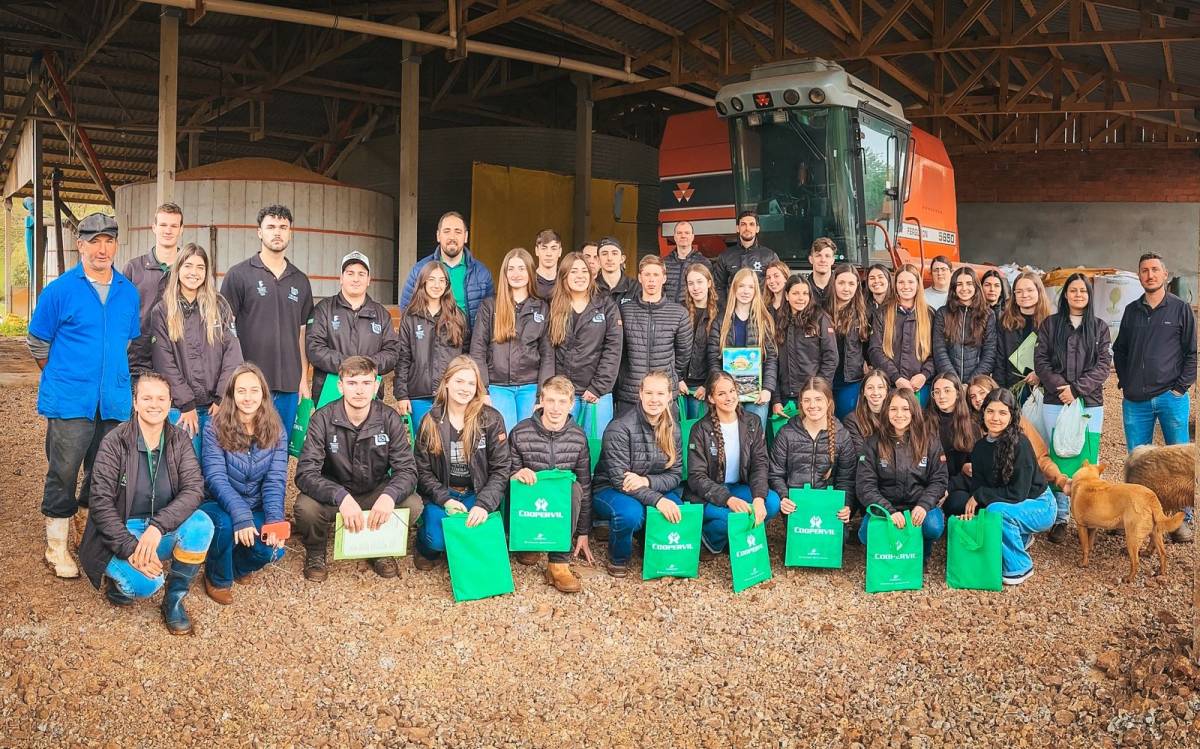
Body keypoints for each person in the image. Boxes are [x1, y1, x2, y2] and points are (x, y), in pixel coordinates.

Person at [27, 213, 140, 579]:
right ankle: (56, 544)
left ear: (116, 245)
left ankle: (88, 529)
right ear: (80, 245)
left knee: (105, 470)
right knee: (64, 470)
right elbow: (37, 342)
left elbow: (125, 343)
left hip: (112, 400)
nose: (101, 249)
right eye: (94, 241)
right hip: (71, 399)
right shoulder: (60, 290)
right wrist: (64, 374)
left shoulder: (127, 292)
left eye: (108, 241)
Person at [78, 373, 214, 635]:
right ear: (135, 402)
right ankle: (119, 583)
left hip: (158, 529)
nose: (154, 404)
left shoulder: (179, 439)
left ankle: (174, 600)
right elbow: (100, 502)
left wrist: (157, 526)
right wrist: (130, 548)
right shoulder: (114, 442)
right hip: (121, 532)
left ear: (170, 402)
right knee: (147, 584)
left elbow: (194, 489)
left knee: (202, 524)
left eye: (161, 398)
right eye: (147, 398)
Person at [295, 357, 420, 581]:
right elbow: (305, 473)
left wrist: (389, 496)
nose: (360, 390)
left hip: (374, 492)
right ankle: (315, 550)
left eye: (366, 383)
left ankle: (378, 548)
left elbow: (408, 470)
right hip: (335, 493)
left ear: (376, 385)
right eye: (352, 383)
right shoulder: (322, 419)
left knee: (413, 504)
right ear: (340, 386)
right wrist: (339, 495)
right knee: (306, 508)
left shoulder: (389, 418)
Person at [1113, 252, 1196, 541]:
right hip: (1136, 401)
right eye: (1144, 270)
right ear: (1139, 276)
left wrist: (1181, 387)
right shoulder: (1131, 311)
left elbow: (1191, 353)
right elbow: (1120, 350)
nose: (1149, 275)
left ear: (1164, 274)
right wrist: (1126, 382)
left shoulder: (1180, 309)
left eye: (1154, 270)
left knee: (1178, 458)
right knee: (1139, 461)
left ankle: (1182, 518)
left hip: (1171, 397)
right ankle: (1141, 516)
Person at [198, 363, 287, 604]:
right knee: (225, 524)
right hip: (218, 502)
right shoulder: (214, 426)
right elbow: (215, 477)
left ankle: (236, 566)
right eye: (241, 391)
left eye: (254, 390)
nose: (248, 397)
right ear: (232, 394)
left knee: (272, 551)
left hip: (255, 504)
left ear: (263, 393)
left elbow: (275, 480)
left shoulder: (276, 429)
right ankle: (217, 578)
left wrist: (275, 520)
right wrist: (241, 515)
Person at [221, 204, 313, 433]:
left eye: (283, 227)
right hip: (249, 385)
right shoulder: (238, 275)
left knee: (281, 448)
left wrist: (303, 379)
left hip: (290, 385)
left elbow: (302, 334)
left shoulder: (301, 280)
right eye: (271, 227)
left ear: (290, 232)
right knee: (246, 445)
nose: (277, 232)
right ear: (259, 232)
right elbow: (224, 332)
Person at [412, 356, 511, 569]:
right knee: (436, 541)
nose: (465, 388)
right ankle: (423, 544)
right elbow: (422, 470)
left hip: (476, 492)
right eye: (459, 381)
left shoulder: (491, 419)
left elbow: (501, 468)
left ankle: (459, 548)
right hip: (443, 493)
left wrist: (484, 505)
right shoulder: (430, 421)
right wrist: (445, 499)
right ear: (447, 382)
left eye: (471, 383)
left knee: (477, 537)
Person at [150, 242, 243, 455]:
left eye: (200, 267)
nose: (194, 272)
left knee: (214, 466)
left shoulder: (219, 305)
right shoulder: (163, 310)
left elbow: (233, 353)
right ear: (178, 269)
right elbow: (164, 362)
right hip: (181, 409)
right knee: (186, 466)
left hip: (215, 407)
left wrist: (222, 397)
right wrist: (187, 403)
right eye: (188, 266)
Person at [961, 388, 1057, 586]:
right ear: (983, 413)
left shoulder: (1020, 444)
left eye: (1002, 413)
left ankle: (1020, 566)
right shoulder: (979, 448)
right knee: (989, 511)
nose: (995, 418)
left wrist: (980, 496)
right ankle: (1021, 536)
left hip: (1040, 505)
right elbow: (979, 487)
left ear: (1012, 416)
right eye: (990, 411)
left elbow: (1017, 493)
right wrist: (972, 512)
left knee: (996, 511)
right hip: (1013, 504)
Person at [592, 370, 683, 577]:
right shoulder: (620, 427)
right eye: (649, 393)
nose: (654, 399)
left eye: (660, 394)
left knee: (677, 509)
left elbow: (675, 475)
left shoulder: (673, 429)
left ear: (669, 396)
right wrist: (657, 500)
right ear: (640, 394)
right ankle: (619, 558)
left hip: (647, 484)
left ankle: (653, 551)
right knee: (631, 514)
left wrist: (646, 481)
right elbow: (619, 480)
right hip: (611, 488)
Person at [509, 376, 592, 592]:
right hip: (530, 500)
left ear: (571, 404)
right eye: (551, 400)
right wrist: (516, 473)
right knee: (516, 483)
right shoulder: (520, 432)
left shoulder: (578, 437)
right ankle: (526, 541)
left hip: (558, 504)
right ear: (541, 401)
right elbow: (504, 474)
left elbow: (585, 484)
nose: (556, 408)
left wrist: (583, 532)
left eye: (562, 402)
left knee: (575, 488)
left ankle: (558, 563)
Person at [967, 374, 1071, 544]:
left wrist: (1060, 479)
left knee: (995, 514)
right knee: (988, 532)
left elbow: (1040, 458)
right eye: (972, 396)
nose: (977, 399)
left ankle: (1018, 547)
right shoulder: (973, 429)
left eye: (982, 393)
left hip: (1029, 497)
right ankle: (1019, 536)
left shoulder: (1017, 431)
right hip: (1001, 493)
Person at [685, 371, 779, 555]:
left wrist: (758, 498)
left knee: (772, 503)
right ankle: (709, 541)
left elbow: (760, 464)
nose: (729, 397)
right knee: (731, 518)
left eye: (732, 391)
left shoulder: (752, 422)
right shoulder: (700, 429)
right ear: (711, 398)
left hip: (739, 487)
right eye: (721, 394)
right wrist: (728, 499)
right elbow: (696, 477)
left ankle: (734, 539)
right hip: (709, 494)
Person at [855, 387, 948, 554]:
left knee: (933, 527)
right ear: (886, 411)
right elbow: (865, 485)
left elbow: (939, 479)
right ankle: (886, 555)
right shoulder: (873, 442)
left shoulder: (930, 440)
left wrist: (924, 505)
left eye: (905, 409)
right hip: (887, 506)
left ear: (914, 411)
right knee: (865, 535)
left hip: (918, 505)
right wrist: (888, 511)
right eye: (893, 409)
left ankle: (921, 553)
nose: (899, 414)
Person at [470, 247, 553, 432]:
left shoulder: (542, 308)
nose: (516, 274)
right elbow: (478, 349)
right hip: (498, 387)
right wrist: (483, 390)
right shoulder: (490, 306)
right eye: (511, 269)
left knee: (528, 437)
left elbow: (548, 355)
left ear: (530, 272)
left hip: (530, 386)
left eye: (522, 268)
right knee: (504, 437)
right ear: (505, 273)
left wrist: (543, 394)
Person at [1033, 273, 1111, 462]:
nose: (1078, 294)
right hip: (1056, 401)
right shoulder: (1050, 325)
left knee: (1087, 458)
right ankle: (1059, 485)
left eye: (1083, 291)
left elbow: (1103, 365)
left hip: (1090, 403)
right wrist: (1063, 389)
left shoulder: (1099, 327)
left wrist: (1076, 390)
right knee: (1057, 456)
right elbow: (1041, 361)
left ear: (1089, 295)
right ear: (1066, 294)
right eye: (1073, 290)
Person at [305, 250, 400, 405]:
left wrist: (366, 367)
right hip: (330, 392)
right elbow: (314, 348)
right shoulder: (323, 309)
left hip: (370, 393)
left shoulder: (381, 314)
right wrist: (351, 366)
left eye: (361, 274)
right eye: (350, 273)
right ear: (341, 278)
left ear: (368, 280)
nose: (356, 279)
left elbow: (392, 351)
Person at [547, 252, 623, 436]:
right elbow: (548, 351)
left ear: (591, 275)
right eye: (573, 271)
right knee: (562, 445)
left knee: (595, 445)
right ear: (564, 276)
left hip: (597, 393)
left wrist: (598, 387)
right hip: (562, 392)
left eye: (584, 271)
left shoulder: (606, 305)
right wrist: (556, 385)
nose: (580, 276)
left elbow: (613, 349)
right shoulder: (552, 306)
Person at [769, 376, 855, 527]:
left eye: (818, 399)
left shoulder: (842, 436)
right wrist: (784, 497)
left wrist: (846, 505)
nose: (812, 405)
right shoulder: (786, 433)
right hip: (796, 506)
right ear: (801, 403)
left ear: (829, 402)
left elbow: (846, 479)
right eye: (807, 400)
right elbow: (775, 473)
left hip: (829, 507)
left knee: (836, 540)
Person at [394, 262, 469, 430]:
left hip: (451, 394)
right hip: (419, 395)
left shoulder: (458, 316)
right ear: (423, 282)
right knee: (423, 442)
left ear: (447, 285)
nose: (437, 285)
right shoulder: (410, 317)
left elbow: (466, 357)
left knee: (449, 441)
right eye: (432, 279)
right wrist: (401, 395)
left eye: (442, 280)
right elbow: (403, 358)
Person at [615, 255, 692, 415]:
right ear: (640, 278)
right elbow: (619, 352)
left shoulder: (678, 313)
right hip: (631, 393)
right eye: (647, 274)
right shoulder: (625, 311)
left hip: (664, 395)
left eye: (656, 275)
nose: (651, 280)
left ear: (664, 278)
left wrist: (671, 375)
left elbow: (683, 354)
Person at [399, 211, 495, 333]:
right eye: (447, 231)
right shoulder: (419, 270)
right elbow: (406, 309)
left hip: (470, 342)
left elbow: (490, 315)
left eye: (458, 232)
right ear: (438, 236)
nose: (452, 237)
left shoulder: (482, 274)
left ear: (466, 237)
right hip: (430, 341)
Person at [709, 267, 777, 428]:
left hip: (757, 394)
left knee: (754, 437)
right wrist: (721, 388)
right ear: (734, 288)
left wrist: (767, 388)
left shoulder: (764, 320)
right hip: (727, 394)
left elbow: (771, 358)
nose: (746, 291)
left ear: (756, 291)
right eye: (741, 286)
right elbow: (713, 357)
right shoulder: (721, 320)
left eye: (750, 287)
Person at [124, 202, 183, 374]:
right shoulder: (134, 268)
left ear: (181, 229)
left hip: (178, 359)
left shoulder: (189, 270)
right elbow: (119, 315)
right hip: (138, 359)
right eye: (163, 225)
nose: (168, 230)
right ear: (154, 227)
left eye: (174, 226)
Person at [868, 264, 934, 405]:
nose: (906, 286)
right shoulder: (883, 313)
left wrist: (924, 375)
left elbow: (937, 352)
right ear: (895, 285)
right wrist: (896, 377)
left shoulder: (930, 315)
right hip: (890, 386)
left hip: (921, 387)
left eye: (910, 282)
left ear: (918, 285)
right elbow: (875, 350)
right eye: (901, 282)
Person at [773, 275, 836, 420]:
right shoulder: (778, 321)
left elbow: (831, 358)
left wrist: (818, 390)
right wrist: (776, 399)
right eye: (795, 293)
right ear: (787, 296)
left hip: (813, 396)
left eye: (805, 293)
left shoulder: (820, 318)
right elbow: (772, 362)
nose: (801, 298)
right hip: (785, 398)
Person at [928, 372, 980, 516]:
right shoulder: (925, 423)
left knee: (959, 502)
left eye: (947, 390)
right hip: (931, 484)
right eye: (936, 392)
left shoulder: (971, 426)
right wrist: (937, 489)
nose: (941, 396)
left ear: (958, 393)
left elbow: (973, 470)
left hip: (957, 485)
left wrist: (948, 488)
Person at [932, 267, 997, 382]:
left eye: (969, 283)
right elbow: (939, 351)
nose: (964, 288)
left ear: (976, 286)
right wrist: (954, 382)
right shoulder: (942, 313)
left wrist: (971, 383)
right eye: (959, 284)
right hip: (949, 382)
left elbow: (989, 353)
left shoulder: (988, 315)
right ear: (954, 288)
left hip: (976, 383)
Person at [994, 271, 1053, 393]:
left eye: (1029, 290)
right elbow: (999, 362)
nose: (1024, 295)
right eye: (1019, 291)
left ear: (1039, 292)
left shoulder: (1052, 323)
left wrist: (1040, 374)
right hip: (1012, 387)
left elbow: (1058, 359)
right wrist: (1001, 393)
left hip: (1044, 390)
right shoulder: (1005, 322)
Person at [827, 262, 869, 419]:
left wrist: (868, 363)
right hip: (825, 379)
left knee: (848, 422)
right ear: (834, 283)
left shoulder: (864, 313)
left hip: (851, 380)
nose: (846, 288)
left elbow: (869, 345)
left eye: (851, 284)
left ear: (857, 285)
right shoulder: (821, 311)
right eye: (841, 283)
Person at [680, 264, 718, 419]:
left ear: (709, 283)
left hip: (703, 385)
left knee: (699, 429)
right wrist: (677, 379)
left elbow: (719, 354)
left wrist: (707, 385)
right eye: (691, 283)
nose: (695, 287)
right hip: (680, 384)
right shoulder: (679, 310)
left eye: (700, 282)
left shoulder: (720, 312)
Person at [712, 210, 779, 297]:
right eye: (743, 224)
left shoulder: (769, 256)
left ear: (757, 229)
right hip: (733, 305)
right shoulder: (725, 256)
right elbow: (718, 287)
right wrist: (727, 305)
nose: (747, 228)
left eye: (751, 224)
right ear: (737, 228)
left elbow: (777, 286)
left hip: (761, 305)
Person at [662, 220, 713, 304]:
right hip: (668, 310)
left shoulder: (703, 262)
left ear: (692, 237)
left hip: (692, 310)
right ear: (674, 237)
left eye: (687, 233)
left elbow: (710, 291)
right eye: (679, 233)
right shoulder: (664, 263)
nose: (683, 236)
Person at [844, 369, 890, 456]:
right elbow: (860, 454)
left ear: (887, 391)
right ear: (863, 392)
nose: (875, 392)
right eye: (870, 388)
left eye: (880, 387)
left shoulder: (895, 417)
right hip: (866, 463)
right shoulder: (852, 420)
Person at [595, 236, 638, 302]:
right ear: (598, 260)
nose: (609, 258)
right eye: (604, 254)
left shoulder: (635, 287)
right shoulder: (591, 287)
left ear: (622, 259)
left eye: (614, 253)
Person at [805, 237, 837, 306]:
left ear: (833, 260)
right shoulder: (803, 288)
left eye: (827, 256)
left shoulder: (839, 287)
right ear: (811, 259)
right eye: (818, 255)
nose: (823, 260)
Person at [533, 228, 563, 299]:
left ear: (560, 252)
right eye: (544, 248)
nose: (549, 254)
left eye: (553, 248)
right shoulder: (529, 281)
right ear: (536, 251)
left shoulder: (566, 281)